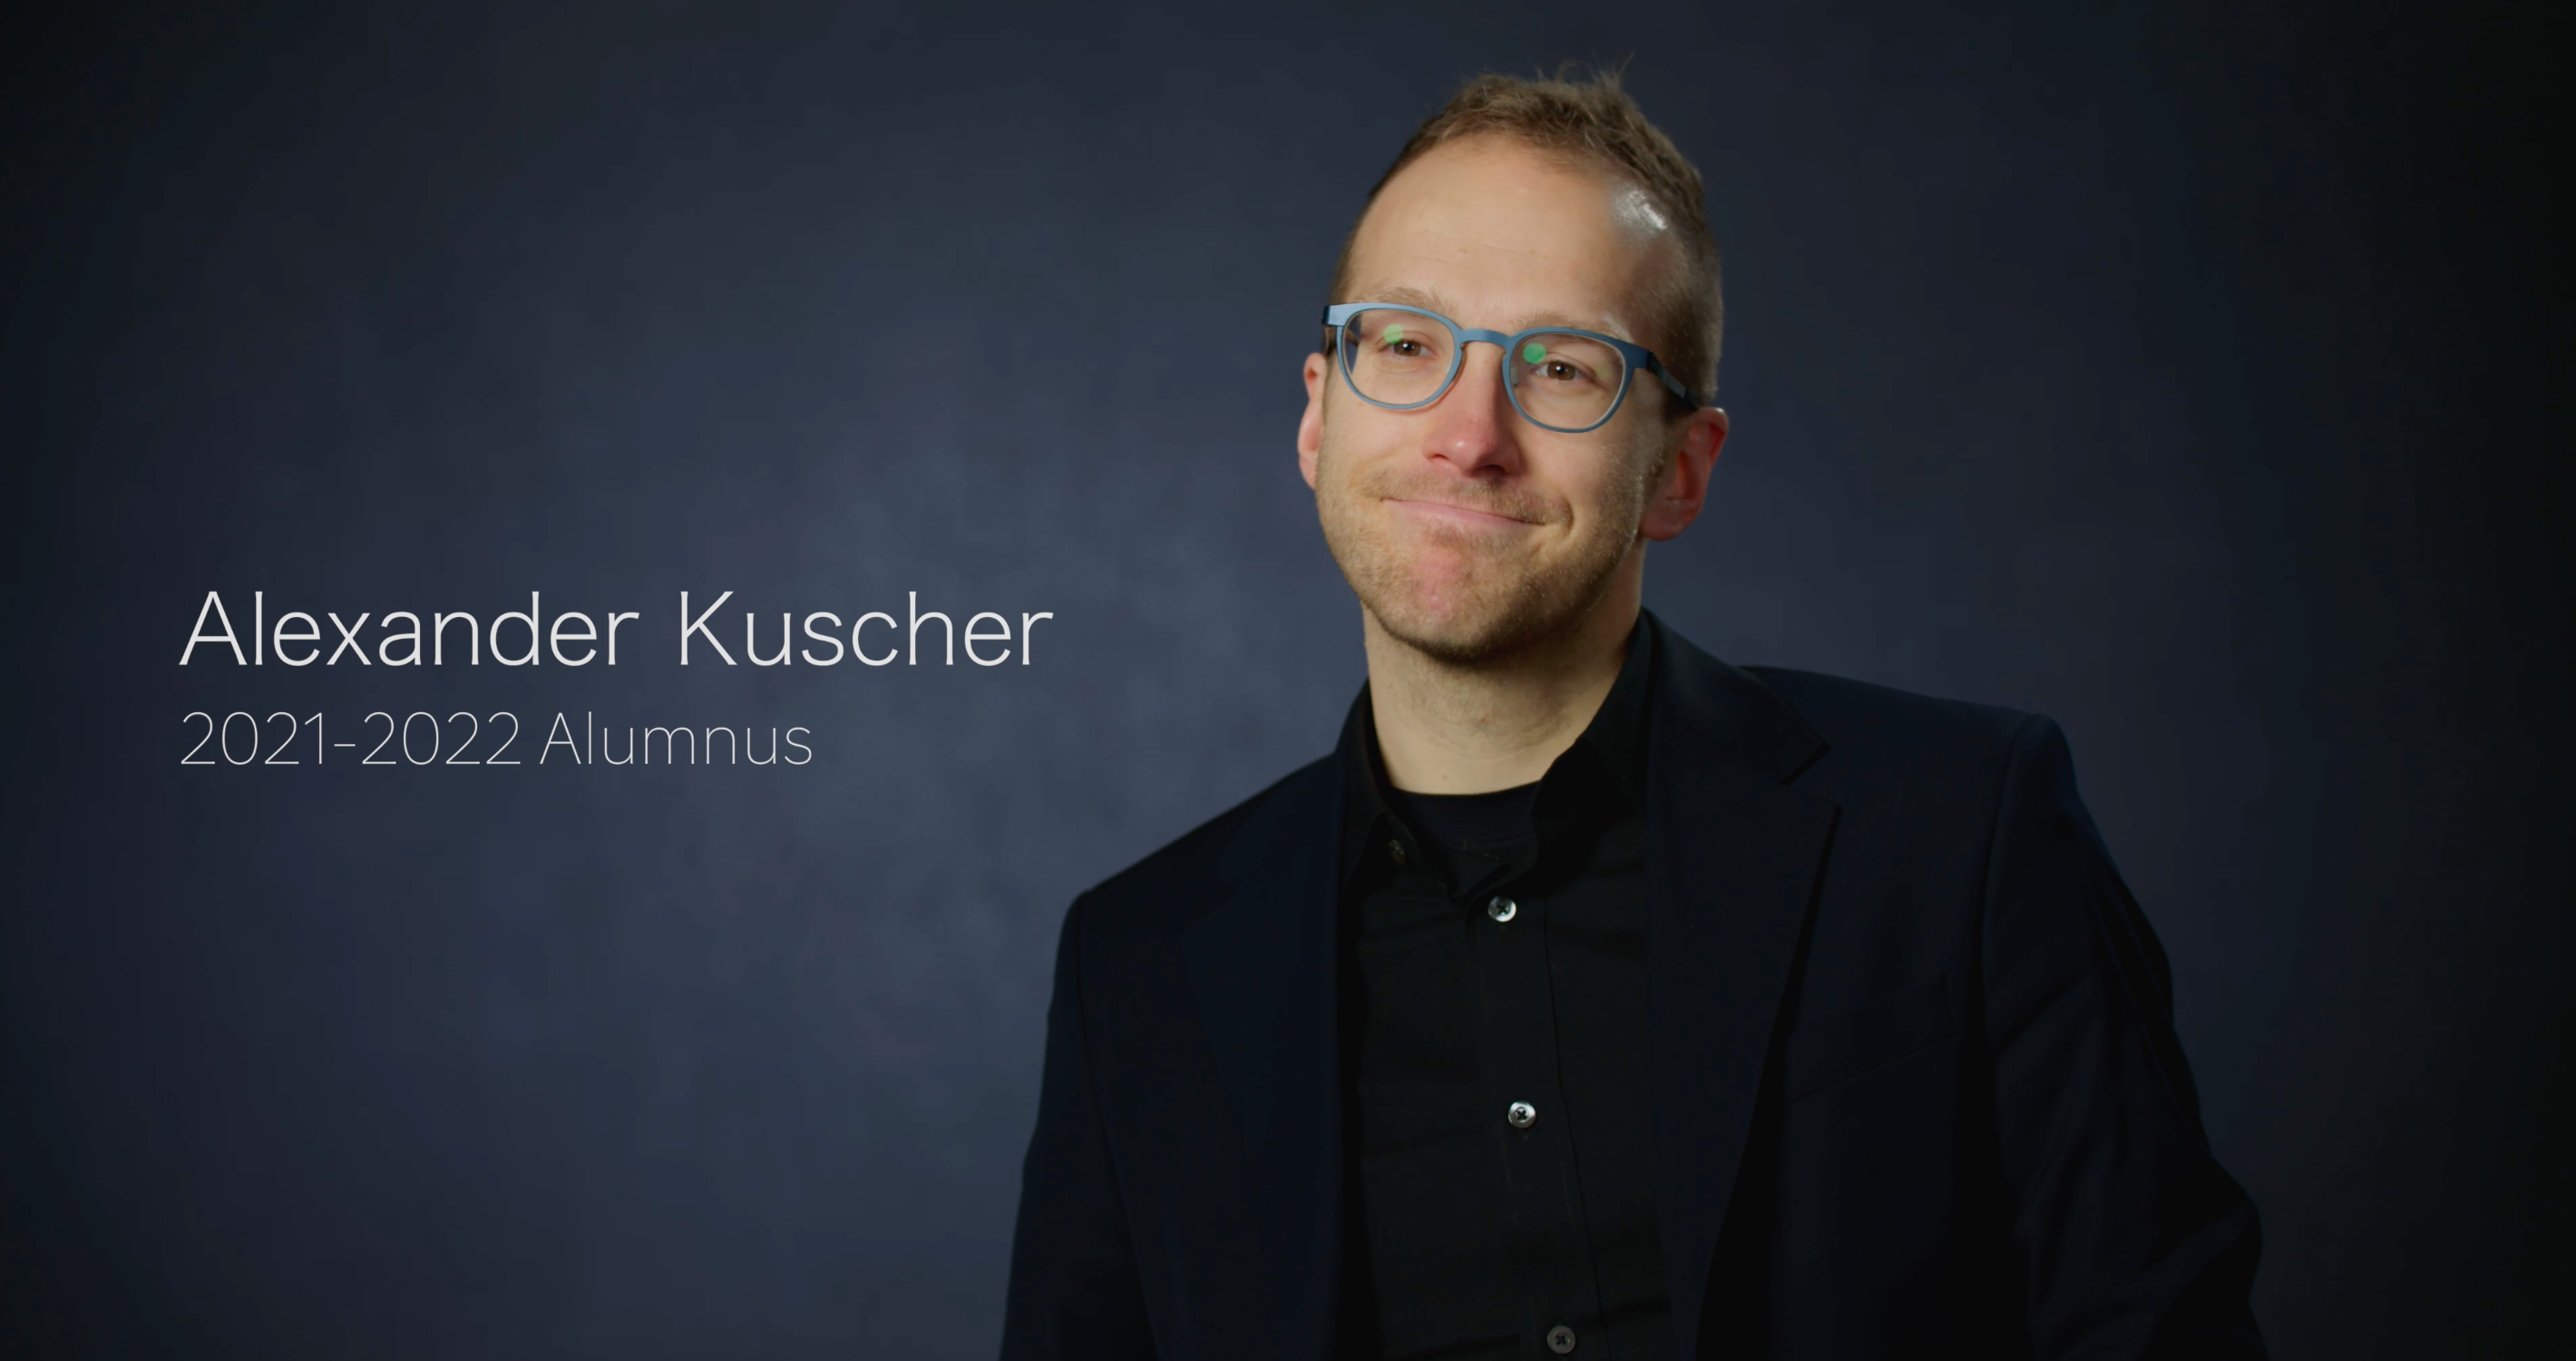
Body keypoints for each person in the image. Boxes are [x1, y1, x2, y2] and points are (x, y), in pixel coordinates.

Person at [1000, 69, 2264, 1361]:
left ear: (1680, 472)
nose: (1468, 436)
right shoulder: (1133, 965)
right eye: (1408, 344)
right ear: (1320, 415)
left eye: (1561, 367)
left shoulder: (1963, 831)